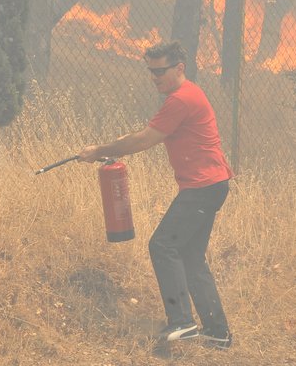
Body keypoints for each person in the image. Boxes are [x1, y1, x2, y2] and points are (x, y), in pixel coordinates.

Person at [77, 40, 234, 350]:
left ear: (179, 68)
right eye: (150, 71)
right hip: (211, 185)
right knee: (190, 257)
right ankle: (217, 332)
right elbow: (145, 135)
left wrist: (99, 151)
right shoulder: (184, 96)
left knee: (162, 245)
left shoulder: (181, 99)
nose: (154, 77)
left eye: (160, 71)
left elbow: (145, 140)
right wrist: (115, 145)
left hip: (202, 188)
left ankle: (183, 322)